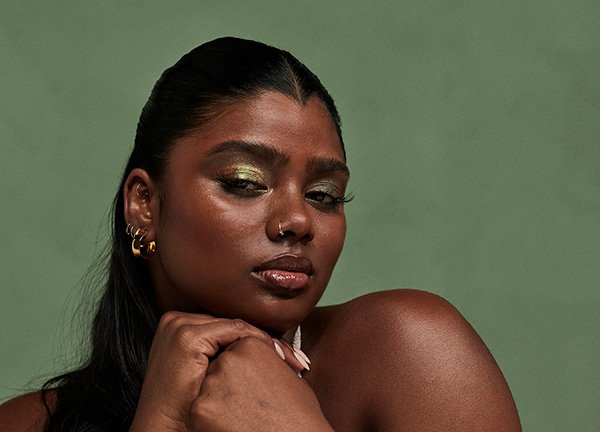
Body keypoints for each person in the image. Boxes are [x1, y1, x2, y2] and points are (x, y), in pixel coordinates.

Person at [0, 37, 521, 431]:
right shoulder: (28, 424)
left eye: (324, 195)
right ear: (145, 204)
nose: (297, 220)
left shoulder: (406, 353)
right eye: (245, 182)